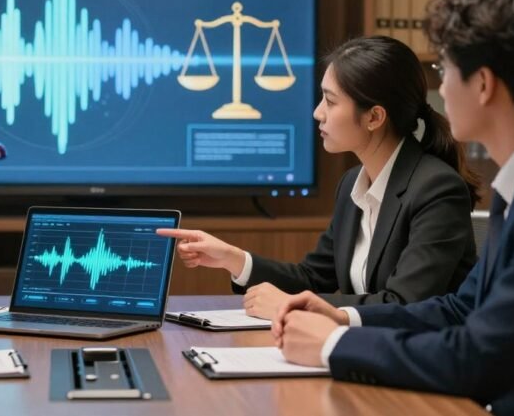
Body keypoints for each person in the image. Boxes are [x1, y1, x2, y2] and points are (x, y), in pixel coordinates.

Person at [272, 0, 514, 416]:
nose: (441, 87)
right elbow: (461, 307)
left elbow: (479, 359)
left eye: (444, 70)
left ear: (483, 84)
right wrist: (345, 317)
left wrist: (334, 345)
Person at [159, 36, 479, 318]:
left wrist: (292, 304)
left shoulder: (436, 189)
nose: (317, 112)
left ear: (374, 117)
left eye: (330, 100)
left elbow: (407, 303)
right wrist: (235, 260)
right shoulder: (353, 183)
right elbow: (314, 278)